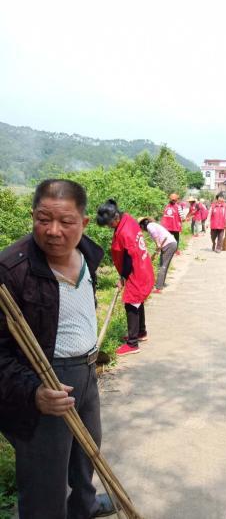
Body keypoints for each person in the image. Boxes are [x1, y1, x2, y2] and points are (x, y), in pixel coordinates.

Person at [0, 179, 114, 519]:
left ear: (84, 223)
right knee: (44, 479)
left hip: (87, 371)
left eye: (65, 222)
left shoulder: (88, 254)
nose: (52, 231)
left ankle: (84, 507)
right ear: (32, 216)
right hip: (44, 378)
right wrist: (33, 391)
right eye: (42, 219)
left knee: (87, 452)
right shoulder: (12, 270)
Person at [96, 200, 154, 356]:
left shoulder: (125, 232)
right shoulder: (127, 218)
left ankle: (132, 343)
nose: (109, 227)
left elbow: (128, 258)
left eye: (109, 224)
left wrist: (122, 277)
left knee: (130, 303)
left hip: (137, 271)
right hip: (141, 266)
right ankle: (141, 332)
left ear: (115, 218)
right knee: (137, 301)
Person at [139, 217, 177, 293]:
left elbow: (155, 234)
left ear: (142, 225)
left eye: (140, 227)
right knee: (163, 264)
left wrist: (158, 244)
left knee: (163, 265)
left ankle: (158, 287)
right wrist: (158, 247)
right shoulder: (153, 225)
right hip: (170, 244)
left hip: (168, 244)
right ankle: (161, 283)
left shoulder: (149, 226)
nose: (141, 229)